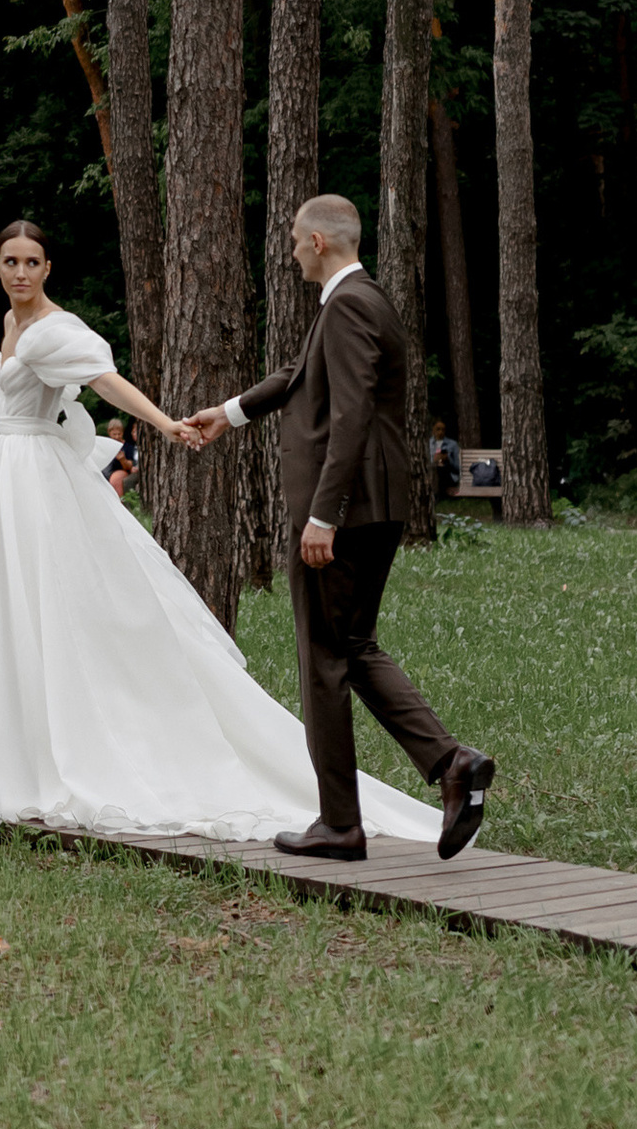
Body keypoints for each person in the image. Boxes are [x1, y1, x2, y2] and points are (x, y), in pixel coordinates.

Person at [0, 216, 442, 848]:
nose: (21, 273)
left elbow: (102, 381)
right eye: (10, 262)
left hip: (38, 482)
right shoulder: (10, 327)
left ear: (47, 270)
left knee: (57, 608)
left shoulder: (55, 328)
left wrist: (165, 423)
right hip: (6, 481)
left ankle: (79, 746)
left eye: (32, 262)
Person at [188, 192, 497, 866]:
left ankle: (339, 823)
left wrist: (322, 514)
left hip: (347, 510)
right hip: (375, 504)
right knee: (351, 645)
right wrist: (231, 412)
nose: (292, 249)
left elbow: (352, 413)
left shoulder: (350, 304)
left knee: (323, 659)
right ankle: (450, 762)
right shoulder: (361, 299)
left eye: (297, 239)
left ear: (320, 242)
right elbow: (302, 377)